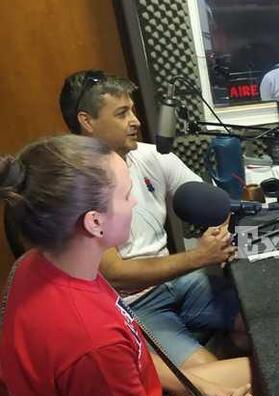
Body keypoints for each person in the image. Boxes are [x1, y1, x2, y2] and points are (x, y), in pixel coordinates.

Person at [0, 135, 279, 396]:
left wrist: (201, 388)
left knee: (272, 370)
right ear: (94, 222)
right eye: (125, 196)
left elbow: (133, 356)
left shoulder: (42, 263)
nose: (135, 200)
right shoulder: (87, 336)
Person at [59, 70, 248, 370]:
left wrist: (220, 232)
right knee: (220, 382)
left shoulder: (153, 156)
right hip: (133, 306)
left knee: (255, 326)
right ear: (87, 121)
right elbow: (115, 273)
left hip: (179, 282)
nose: (136, 121)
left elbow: (215, 208)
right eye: (122, 114)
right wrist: (198, 257)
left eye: (132, 110)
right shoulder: (76, 187)